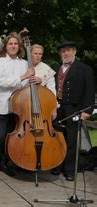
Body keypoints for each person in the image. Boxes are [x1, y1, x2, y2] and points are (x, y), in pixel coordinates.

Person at [0, 32, 35, 176]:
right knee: (0, 136)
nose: (13, 46)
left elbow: (26, 84)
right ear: (5, 46)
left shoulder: (24, 63)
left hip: (19, 107)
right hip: (2, 105)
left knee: (13, 137)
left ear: (19, 46)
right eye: (10, 43)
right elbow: (2, 82)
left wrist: (32, 79)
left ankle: (8, 163)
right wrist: (23, 76)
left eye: (16, 43)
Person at [53, 41, 94, 181]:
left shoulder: (84, 69)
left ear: (75, 52)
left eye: (69, 50)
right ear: (60, 54)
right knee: (58, 138)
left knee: (71, 140)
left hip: (74, 108)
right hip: (57, 108)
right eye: (63, 51)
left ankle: (70, 170)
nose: (66, 53)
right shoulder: (56, 67)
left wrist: (88, 110)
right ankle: (57, 165)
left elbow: (90, 91)